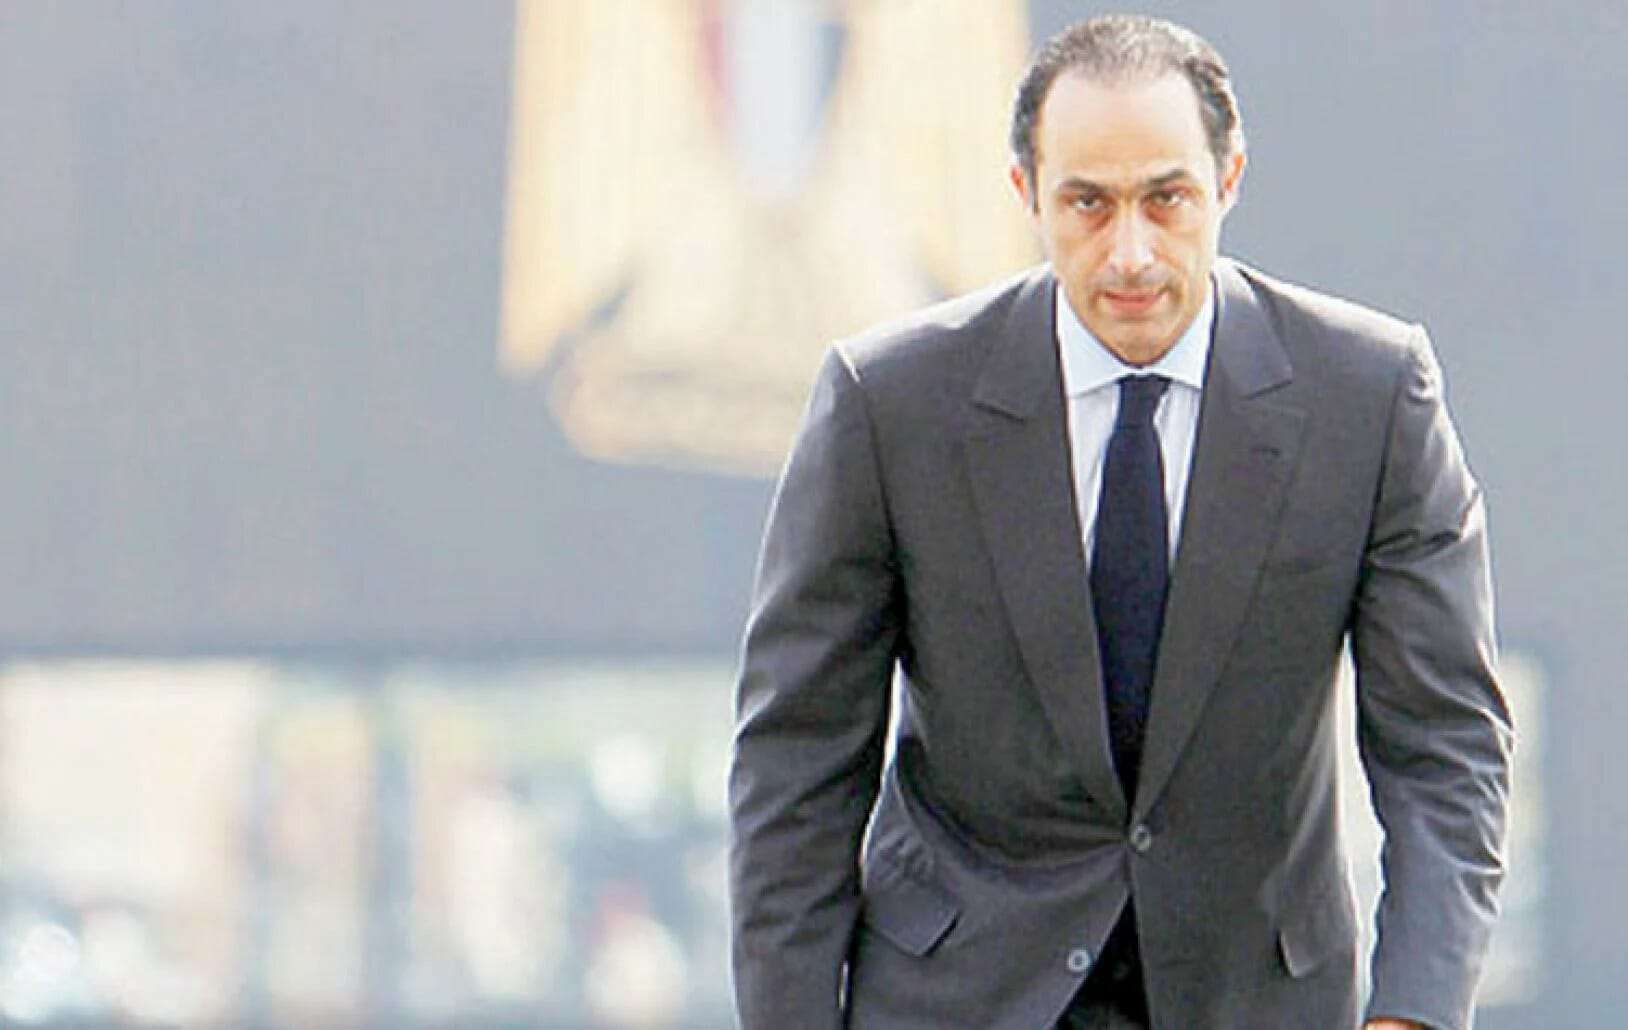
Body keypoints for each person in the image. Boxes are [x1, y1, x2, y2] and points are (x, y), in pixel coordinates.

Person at [727, 14, 1511, 1030]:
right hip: (954, 998)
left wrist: (1412, 1014)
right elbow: (795, 763)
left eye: (1166, 198)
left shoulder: (1370, 397)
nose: (1129, 252)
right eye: (1087, 204)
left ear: (1229, 179)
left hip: (1252, 997)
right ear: (1026, 194)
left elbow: (1445, 747)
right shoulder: (890, 405)